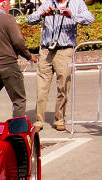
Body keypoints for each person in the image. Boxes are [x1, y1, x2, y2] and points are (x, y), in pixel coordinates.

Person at [28, 0, 94, 131]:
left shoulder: (77, 3)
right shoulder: (48, 3)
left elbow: (90, 19)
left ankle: (59, 119)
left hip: (65, 50)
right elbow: (30, 19)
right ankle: (39, 121)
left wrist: (72, 15)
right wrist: (42, 14)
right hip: (46, 50)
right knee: (41, 88)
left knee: (63, 86)